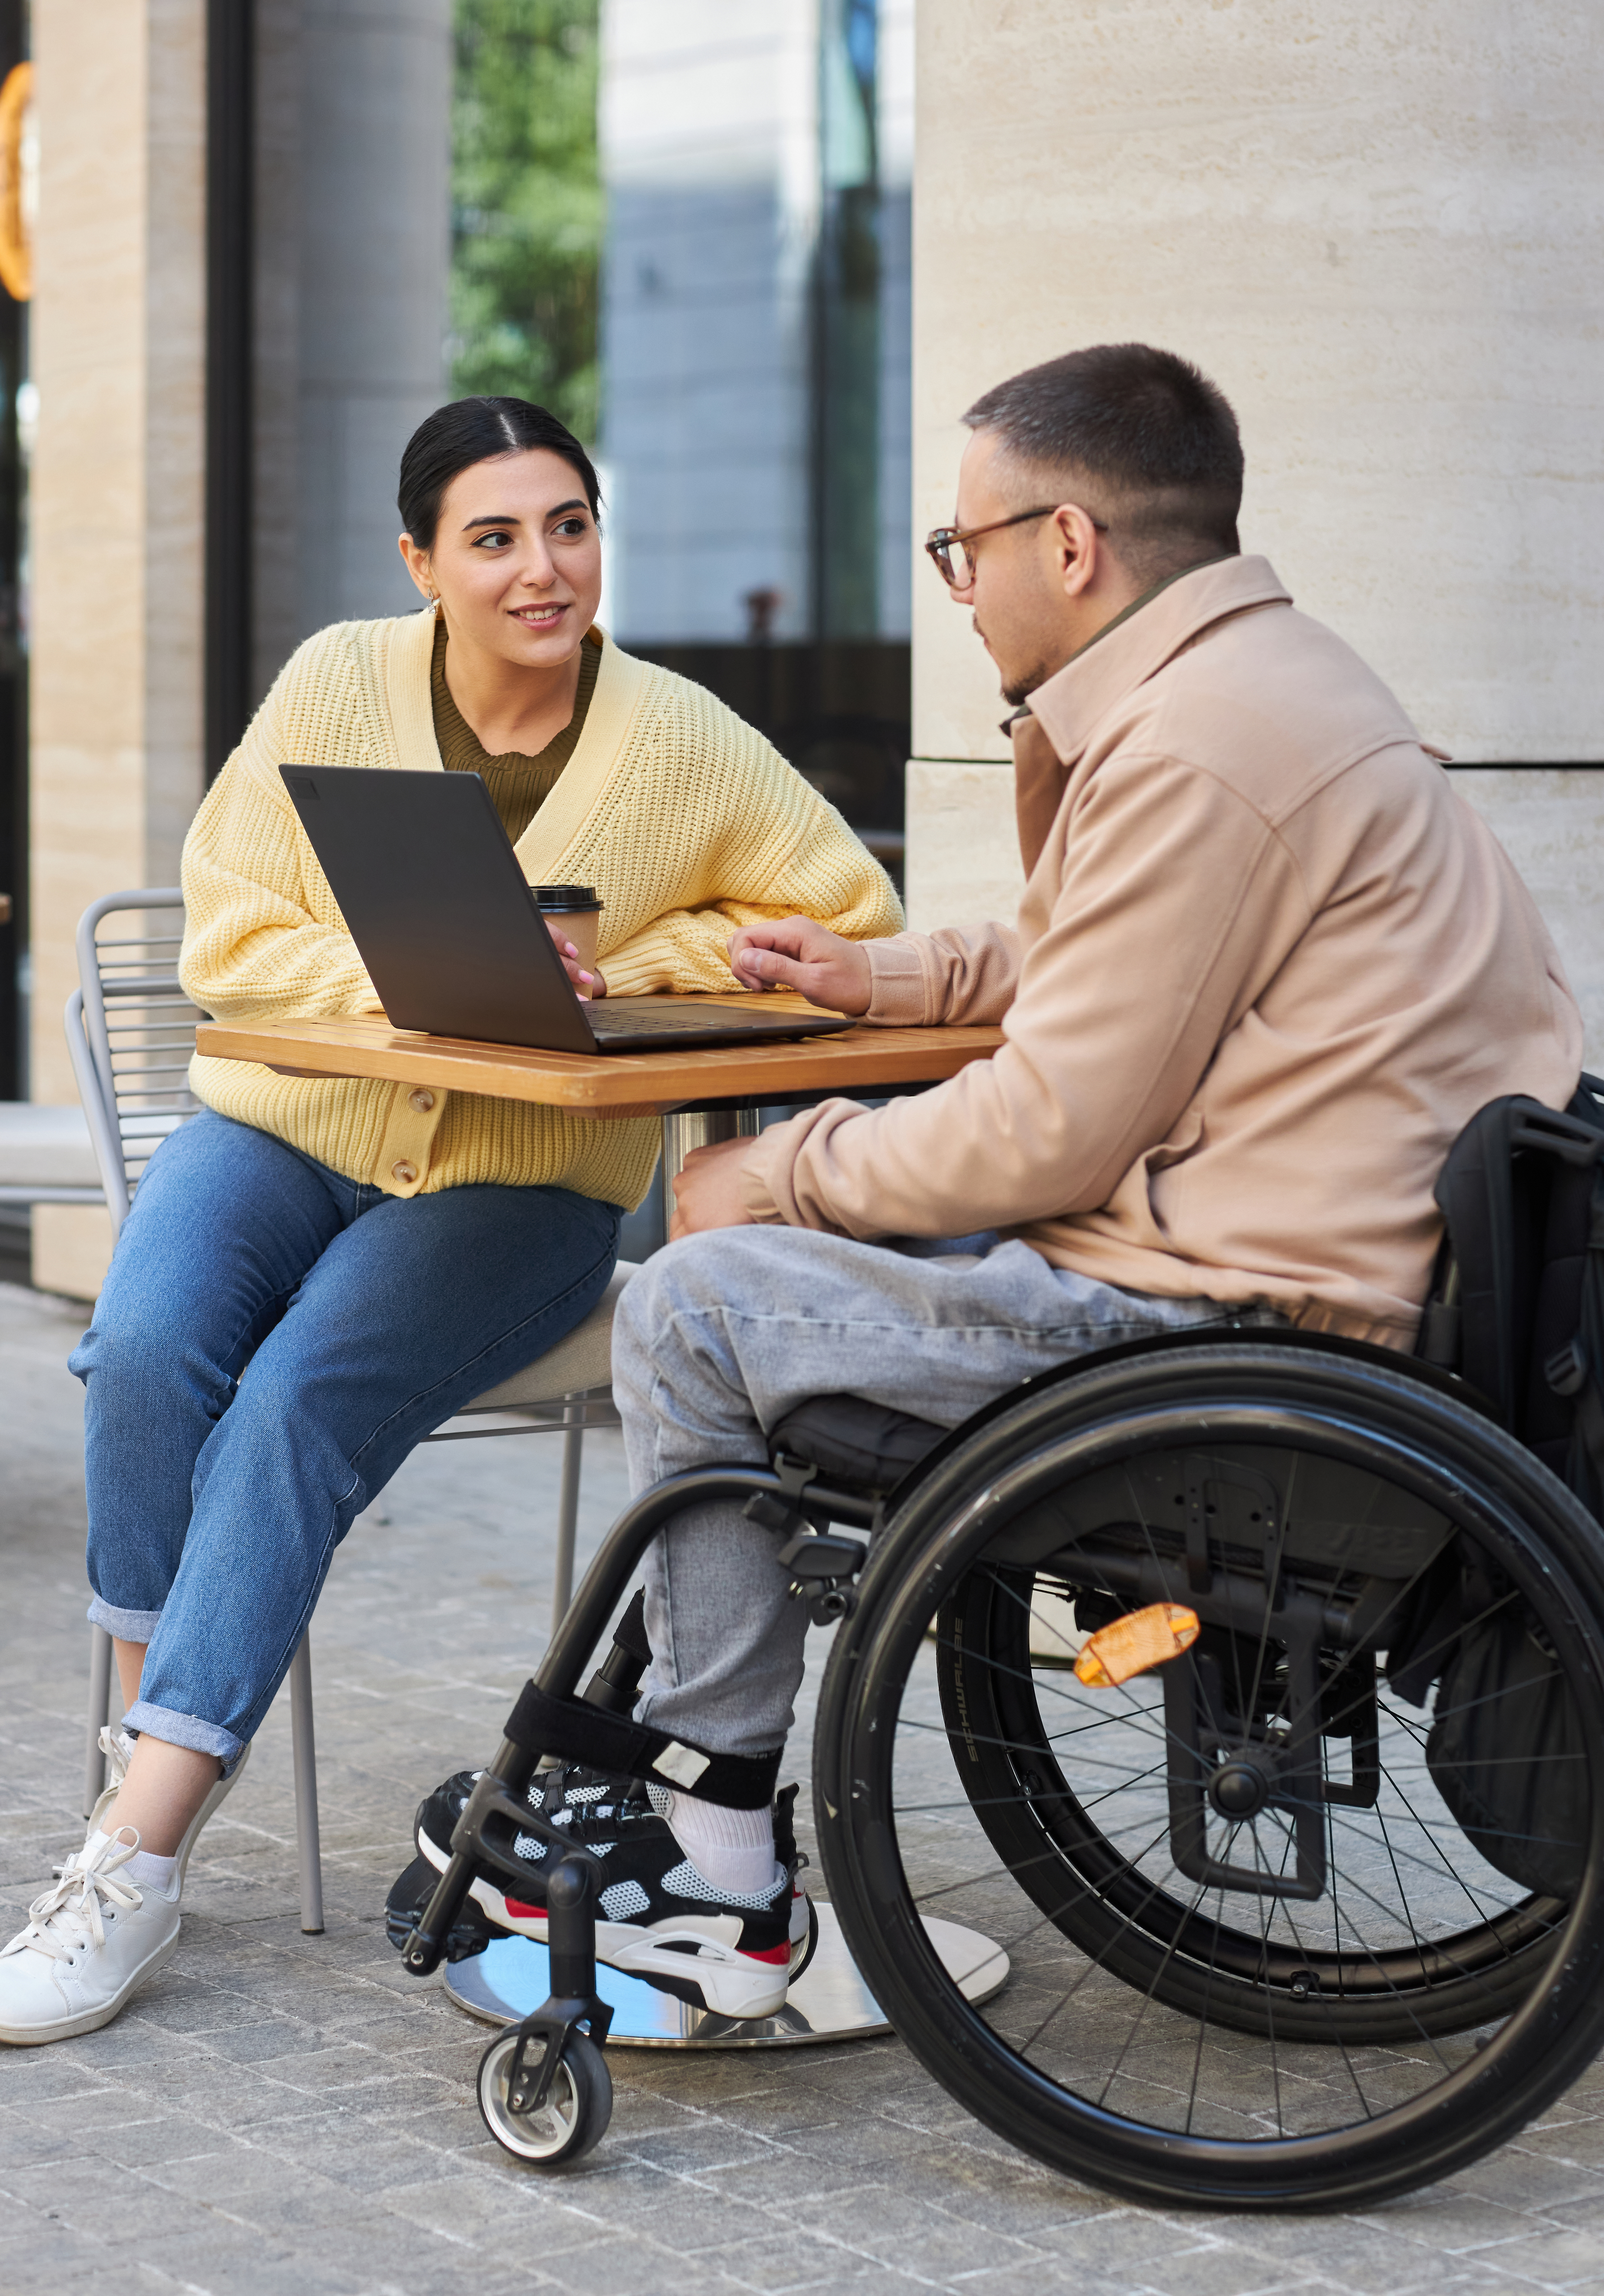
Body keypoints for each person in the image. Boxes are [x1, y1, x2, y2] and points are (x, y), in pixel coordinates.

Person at [403, 342, 1582, 2024]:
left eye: (963, 550)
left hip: (1230, 1317)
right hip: (1307, 1263)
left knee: (693, 1298)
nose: (955, 589)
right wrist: (873, 985)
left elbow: (1050, 1133)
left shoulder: (1193, 745)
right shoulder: (1261, 685)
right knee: (812, 1233)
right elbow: (1089, 955)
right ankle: (677, 1775)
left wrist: (780, 1174)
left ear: (1071, 544)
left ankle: (717, 1853)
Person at [0, 395, 900, 2046]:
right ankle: (158, 1750)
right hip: (285, 1131)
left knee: (293, 1408)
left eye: (569, 524)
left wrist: (626, 965)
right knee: (138, 1352)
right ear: (421, 560)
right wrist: (418, 978)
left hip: (518, 1186)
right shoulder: (340, 684)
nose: (542, 569)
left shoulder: (682, 737)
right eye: (493, 538)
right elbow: (230, 927)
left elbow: (846, 910)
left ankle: (131, 1858)